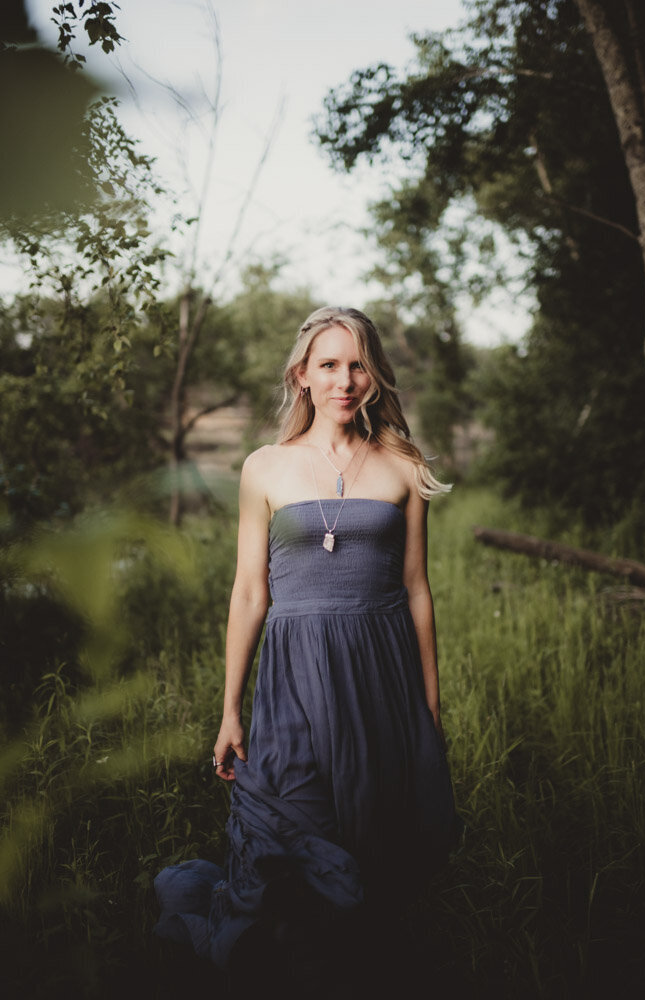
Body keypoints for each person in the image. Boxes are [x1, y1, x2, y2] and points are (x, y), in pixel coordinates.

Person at [154, 306, 459, 978]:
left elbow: (415, 590)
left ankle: (348, 961)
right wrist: (231, 709)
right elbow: (248, 592)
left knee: (371, 832)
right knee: (286, 823)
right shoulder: (264, 467)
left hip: (379, 673)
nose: (343, 379)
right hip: (294, 674)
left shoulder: (402, 466)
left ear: (373, 373)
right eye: (328, 365)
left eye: (356, 364)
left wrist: (427, 710)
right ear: (301, 375)